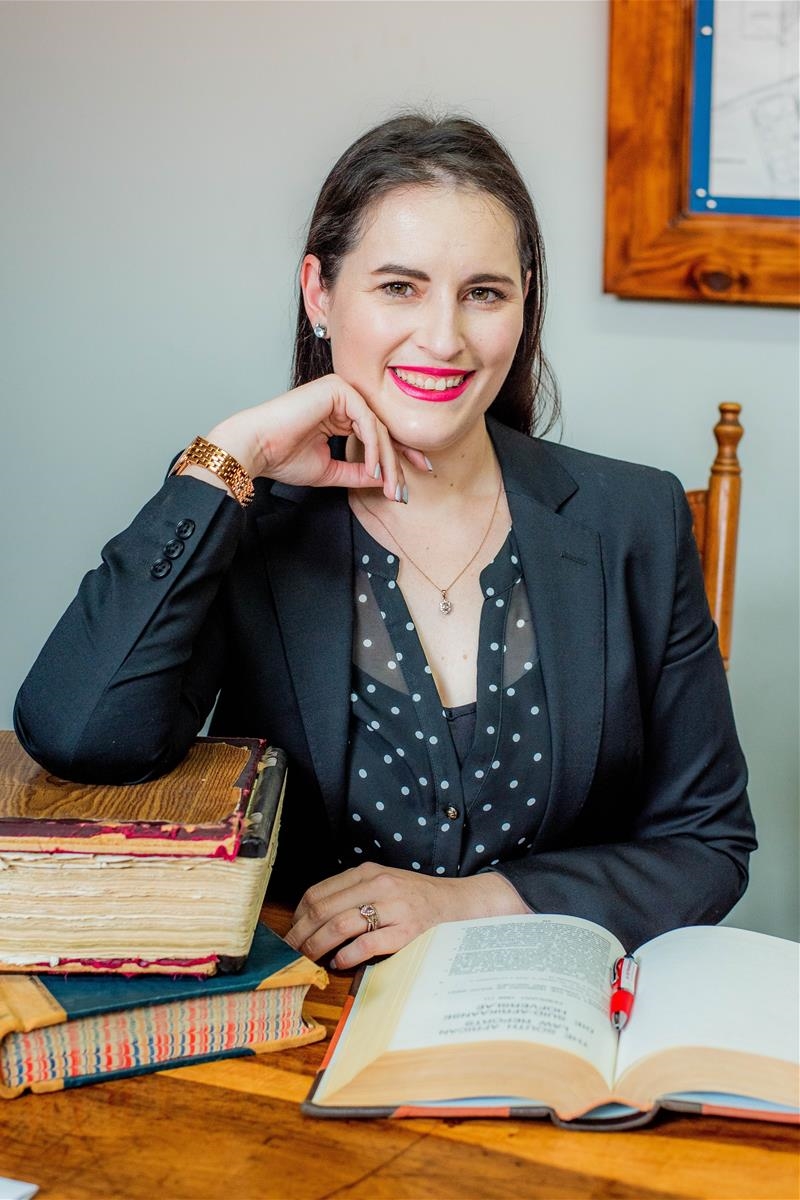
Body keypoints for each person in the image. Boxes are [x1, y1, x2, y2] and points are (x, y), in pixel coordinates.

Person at [14, 113, 755, 970]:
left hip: (547, 1000)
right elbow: (79, 734)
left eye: (484, 293)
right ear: (319, 294)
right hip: (313, 1007)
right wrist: (231, 456)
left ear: (522, 304)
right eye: (400, 287)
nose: (444, 338)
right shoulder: (248, 515)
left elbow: (708, 843)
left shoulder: (634, 517)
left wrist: (473, 903)